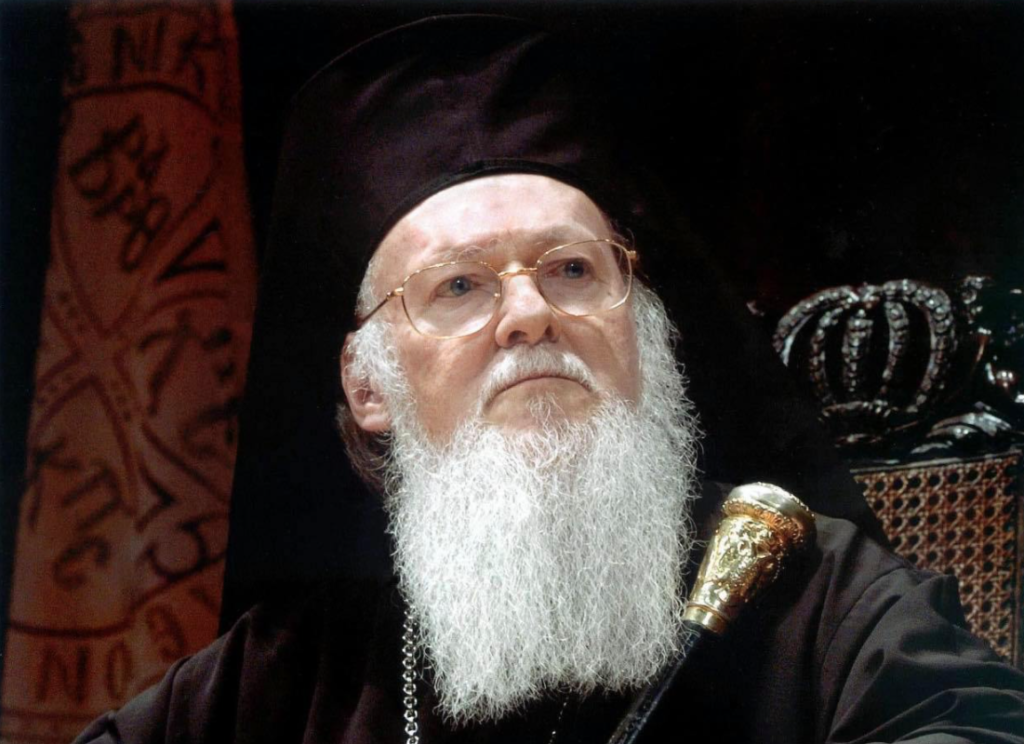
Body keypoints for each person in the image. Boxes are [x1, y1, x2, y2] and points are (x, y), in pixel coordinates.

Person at [74, 15, 1024, 744]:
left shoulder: (802, 588)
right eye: (459, 286)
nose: (530, 314)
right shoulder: (286, 672)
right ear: (369, 386)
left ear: (644, 332)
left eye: (572, 270)